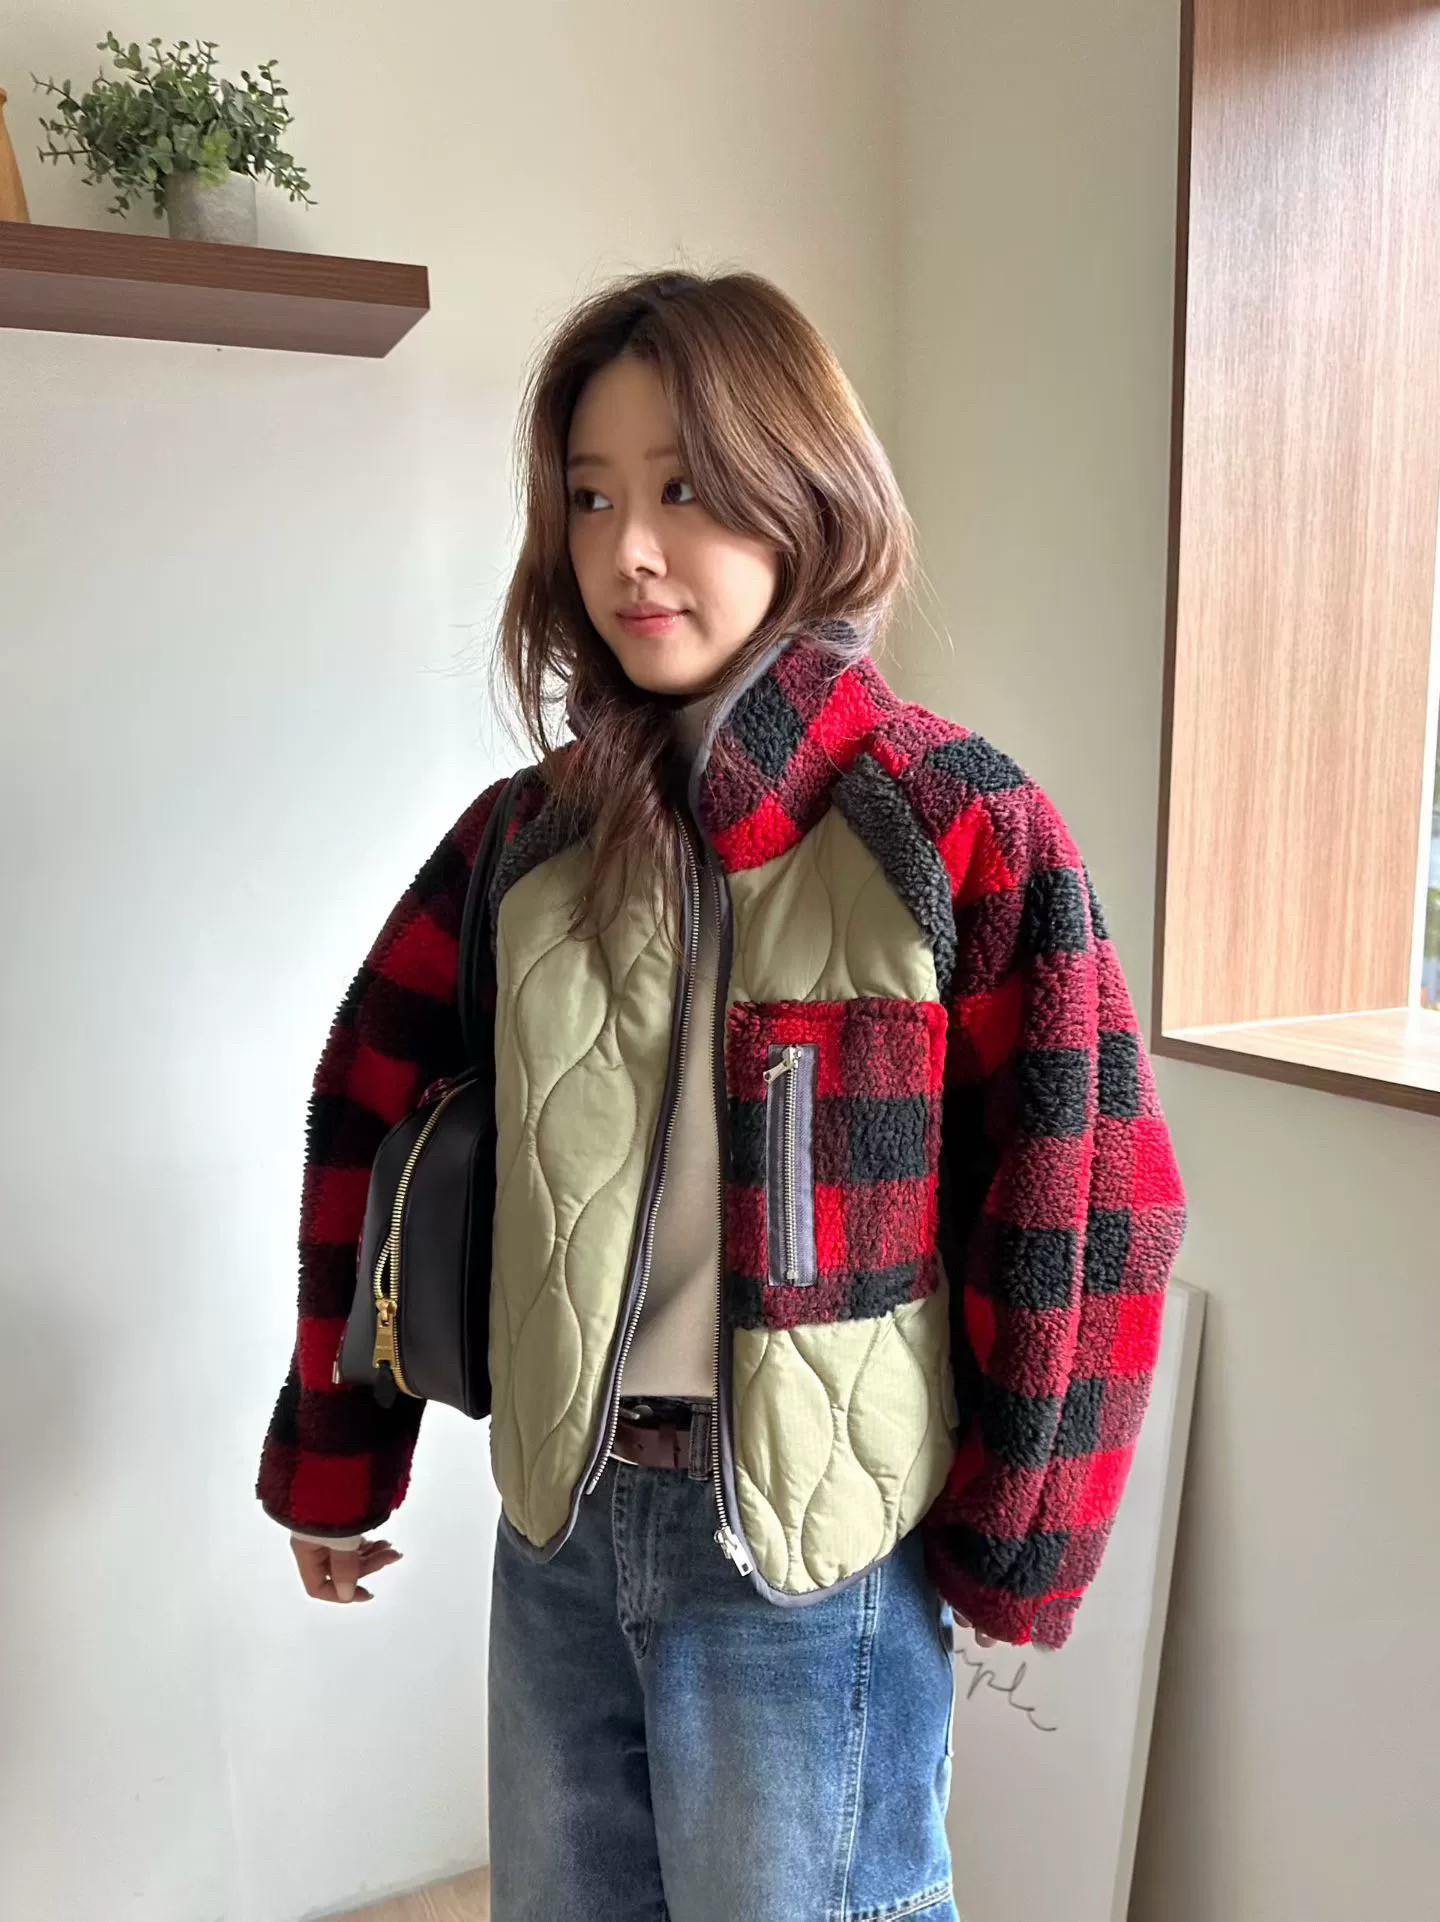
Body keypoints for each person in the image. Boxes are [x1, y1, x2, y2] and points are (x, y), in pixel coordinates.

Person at [256, 269, 1185, 1922]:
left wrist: (1019, 1538)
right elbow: (374, 1124)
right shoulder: (526, 839)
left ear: (803, 488)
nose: (628, 548)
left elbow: (1085, 1189)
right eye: (591, 495)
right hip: (559, 1534)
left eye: (684, 486)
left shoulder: (952, 823)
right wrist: (340, 1453)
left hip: (806, 1567)